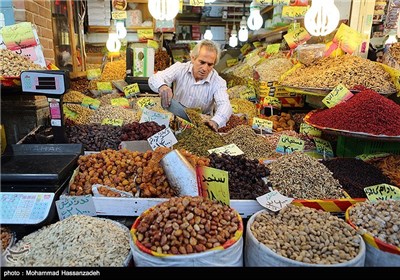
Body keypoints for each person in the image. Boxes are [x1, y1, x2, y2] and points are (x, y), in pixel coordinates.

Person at [148, 39, 232, 131]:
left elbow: (224, 105)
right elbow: (154, 78)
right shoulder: (180, 68)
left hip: (201, 126)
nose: (205, 68)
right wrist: (162, 86)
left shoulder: (218, 82)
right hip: (175, 122)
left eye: (210, 64)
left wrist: (216, 121)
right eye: (202, 62)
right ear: (193, 58)